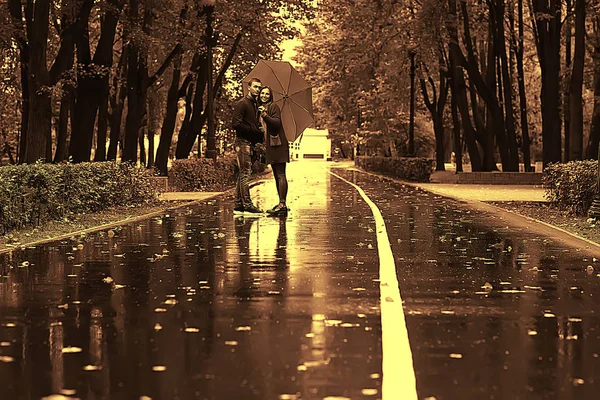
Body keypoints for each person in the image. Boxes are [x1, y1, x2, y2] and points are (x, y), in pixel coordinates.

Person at [231, 78, 265, 214]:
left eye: (259, 87)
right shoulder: (243, 103)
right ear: (249, 87)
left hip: (250, 143)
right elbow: (236, 123)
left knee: (242, 174)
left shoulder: (255, 105)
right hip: (242, 142)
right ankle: (247, 204)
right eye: (255, 87)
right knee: (245, 173)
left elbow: (253, 124)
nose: (257, 89)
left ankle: (239, 204)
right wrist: (255, 130)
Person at [257, 86, 290, 216]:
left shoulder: (273, 107)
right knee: (277, 174)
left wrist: (264, 115)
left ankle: (282, 204)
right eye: (262, 93)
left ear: (270, 96)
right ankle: (281, 203)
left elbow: (276, 123)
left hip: (278, 144)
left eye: (267, 93)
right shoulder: (263, 109)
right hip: (272, 145)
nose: (264, 95)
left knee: (280, 173)